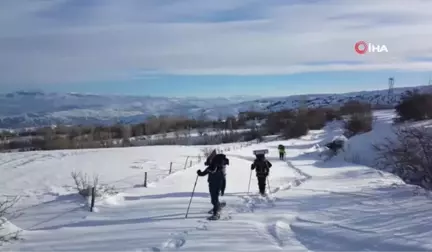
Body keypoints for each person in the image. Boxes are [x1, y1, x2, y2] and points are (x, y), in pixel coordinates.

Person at [197, 153, 228, 218]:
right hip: (212, 184)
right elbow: (203, 173)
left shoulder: (217, 169)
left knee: (214, 199)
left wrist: (223, 189)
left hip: (216, 185)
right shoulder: (212, 168)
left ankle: (216, 213)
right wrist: (199, 173)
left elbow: (223, 179)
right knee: (214, 198)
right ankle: (217, 206)